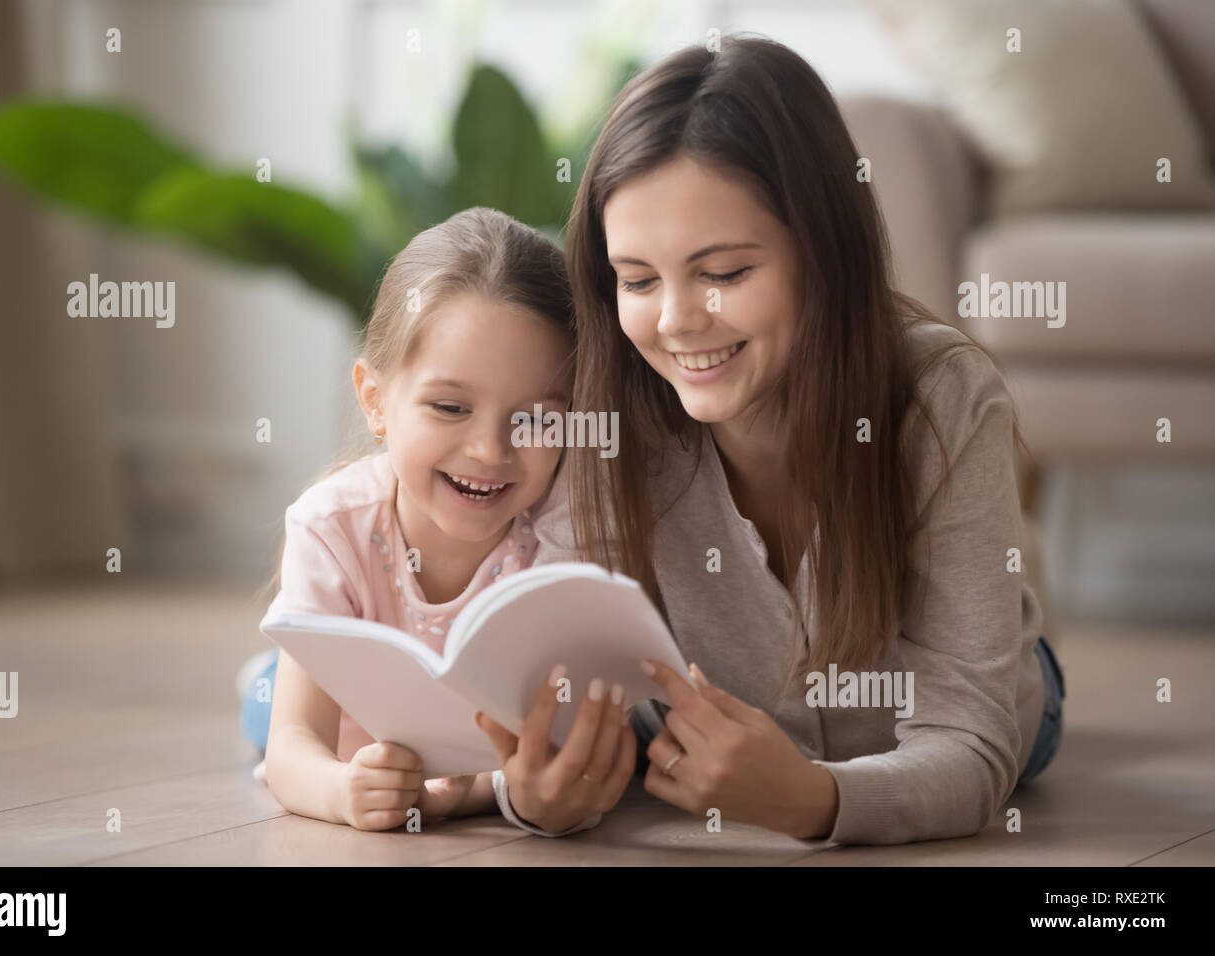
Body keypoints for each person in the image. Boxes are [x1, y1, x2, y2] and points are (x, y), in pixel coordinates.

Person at [499, 34, 1066, 844]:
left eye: (724, 274)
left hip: (976, 711)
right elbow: (568, 708)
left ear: (823, 251)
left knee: (1007, 663)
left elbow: (970, 747)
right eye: (637, 279)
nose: (676, 322)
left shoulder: (942, 395)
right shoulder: (605, 399)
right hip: (731, 745)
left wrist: (807, 799)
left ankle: (1011, 611)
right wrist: (536, 798)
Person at [239, 207, 634, 835]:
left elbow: (556, 756)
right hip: (351, 731)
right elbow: (293, 751)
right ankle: (266, 673)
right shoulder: (331, 527)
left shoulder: (567, 539)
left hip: (463, 763)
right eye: (450, 407)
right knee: (265, 710)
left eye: (534, 418)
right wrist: (343, 790)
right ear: (375, 400)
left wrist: (468, 795)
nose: (490, 450)